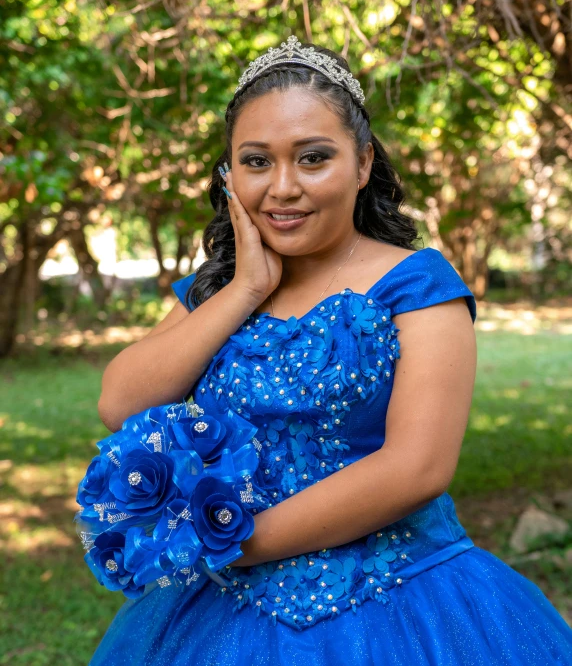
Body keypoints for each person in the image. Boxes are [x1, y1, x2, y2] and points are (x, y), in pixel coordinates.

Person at [91, 36, 572, 665]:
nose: (282, 188)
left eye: (313, 158)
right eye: (256, 162)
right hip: (220, 612)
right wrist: (245, 289)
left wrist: (230, 538)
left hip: (396, 601)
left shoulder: (417, 285)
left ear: (364, 163)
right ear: (229, 175)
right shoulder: (220, 287)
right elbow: (120, 403)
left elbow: (418, 468)